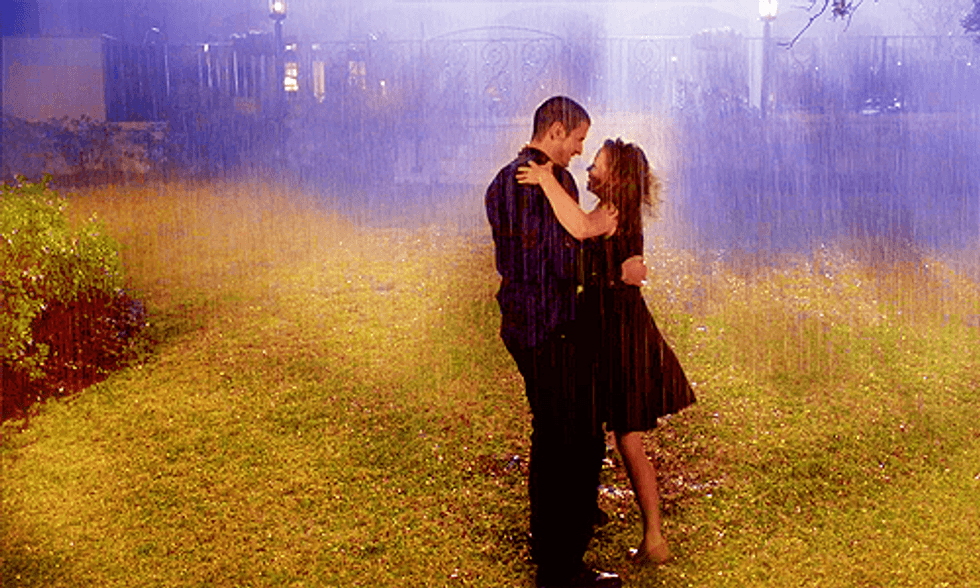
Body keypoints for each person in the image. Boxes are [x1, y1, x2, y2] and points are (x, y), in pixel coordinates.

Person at [517, 138, 697, 567]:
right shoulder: (618, 211)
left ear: (616, 176)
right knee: (605, 431)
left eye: (596, 164)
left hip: (618, 334)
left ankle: (654, 536)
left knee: (628, 438)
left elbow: (580, 227)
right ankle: (594, 510)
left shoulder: (613, 212)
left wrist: (545, 179)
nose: (589, 169)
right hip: (610, 329)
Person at [486, 97, 640, 588]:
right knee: (576, 441)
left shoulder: (503, 180)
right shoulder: (542, 183)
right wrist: (609, 262)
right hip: (549, 327)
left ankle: (549, 542)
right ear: (555, 130)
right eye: (576, 139)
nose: (578, 150)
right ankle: (562, 567)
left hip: (524, 323)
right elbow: (557, 262)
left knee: (552, 434)